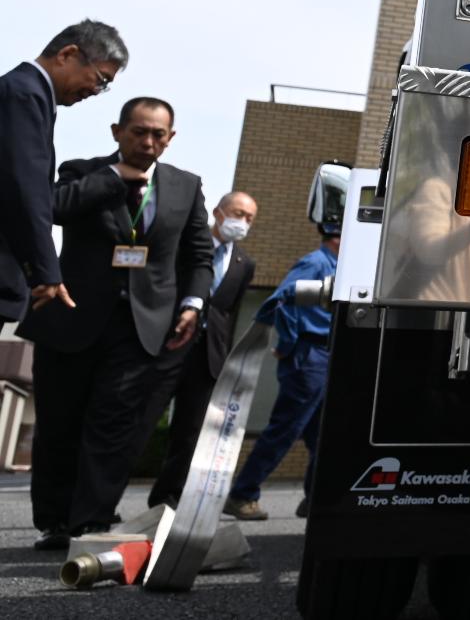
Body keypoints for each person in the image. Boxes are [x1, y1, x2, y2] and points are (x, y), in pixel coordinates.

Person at [18, 96, 213, 551]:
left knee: (113, 426)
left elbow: (199, 256)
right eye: (138, 132)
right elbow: (50, 208)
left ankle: (91, 522)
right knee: (60, 424)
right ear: (117, 132)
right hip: (72, 319)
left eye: (158, 135)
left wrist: (192, 303)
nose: (148, 142)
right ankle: (56, 521)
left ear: (171, 138)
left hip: (141, 326)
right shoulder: (81, 171)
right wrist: (111, 179)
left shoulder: (186, 186)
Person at [0, 20, 127, 322]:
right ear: (67, 54)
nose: (97, 91)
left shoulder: (30, 95)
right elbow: (25, 188)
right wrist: (46, 269)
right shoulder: (24, 95)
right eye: (100, 79)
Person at [143, 191, 259, 508]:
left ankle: (168, 498)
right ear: (219, 213)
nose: (243, 222)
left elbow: (229, 312)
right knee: (140, 419)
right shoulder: (188, 246)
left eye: (249, 218)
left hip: (208, 356)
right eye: (238, 213)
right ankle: (103, 501)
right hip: (168, 345)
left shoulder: (244, 263)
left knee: (190, 431)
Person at [223, 224, 339, 521]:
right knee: (285, 429)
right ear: (337, 238)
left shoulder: (336, 265)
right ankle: (242, 494)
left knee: (324, 434)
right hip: (309, 354)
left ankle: (315, 499)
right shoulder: (316, 262)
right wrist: (287, 343)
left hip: (326, 354)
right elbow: (282, 298)